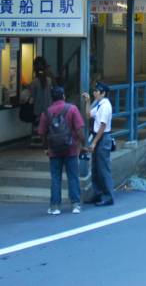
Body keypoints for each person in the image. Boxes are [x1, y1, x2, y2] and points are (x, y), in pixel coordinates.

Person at [37, 86, 85, 215]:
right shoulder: (72, 109)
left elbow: (41, 133)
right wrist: (83, 144)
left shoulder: (46, 112)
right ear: (63, 96)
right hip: (71, 148)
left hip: (54, 150)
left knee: (55, 178)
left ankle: (55, 206)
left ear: (52, 98)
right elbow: (79, 129)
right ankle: (75, 204)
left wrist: (46, 147)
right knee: (73, 177)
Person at [81, 82, 114, 207]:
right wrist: (88, 101)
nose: (95, 92)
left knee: (103, 168)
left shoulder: (106, 106)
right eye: (94, 91)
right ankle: (98, 193)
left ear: (103, 93)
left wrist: (94, 143)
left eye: (97, 91)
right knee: (95, 167)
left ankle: (108, 196)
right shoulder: (100, 104)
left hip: (102, 137)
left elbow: (103, 126)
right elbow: (89, 115)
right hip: (98, 136)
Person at [29, 57, 52, 146]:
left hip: (38, 109)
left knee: (38, 127)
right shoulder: (49, 80)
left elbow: (32, 97)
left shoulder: (34, 82)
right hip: (48, 108)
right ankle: (46, 143)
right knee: (47, 126)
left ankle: (38, 143)